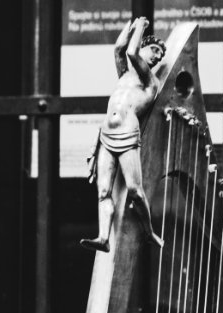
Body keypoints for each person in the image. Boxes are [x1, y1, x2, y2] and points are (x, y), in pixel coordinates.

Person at [80, 17, 166, 252]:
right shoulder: (124, 76)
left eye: (160, 55)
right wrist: (130, 27)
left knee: (135, 191)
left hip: (128, 131)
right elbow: (120, 49)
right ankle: (103, 237)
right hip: (107, 132)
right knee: (104, 190)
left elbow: (130, 52)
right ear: (145, 46)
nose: (157, 57)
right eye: (155, 50)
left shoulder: (151, 81)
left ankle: (149, 232)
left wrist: (140, 28)